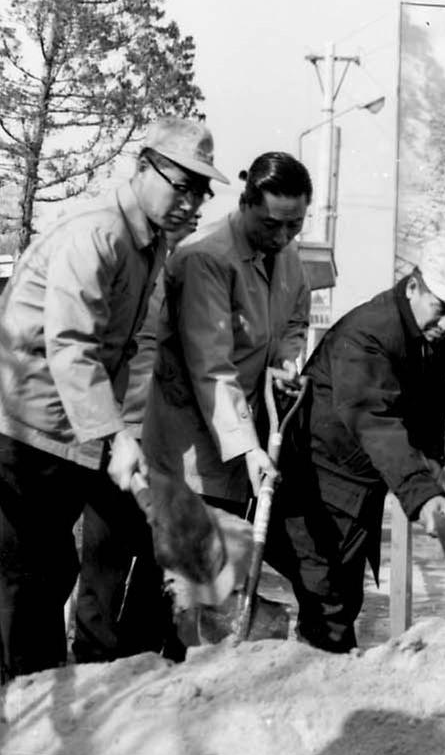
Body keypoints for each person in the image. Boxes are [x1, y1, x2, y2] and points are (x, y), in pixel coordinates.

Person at [0, 117, 226, 679]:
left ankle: (39, 691)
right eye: (181, 184)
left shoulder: (148, 245)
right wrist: (113, 436)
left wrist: (114, 438)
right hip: (23, 429)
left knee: (52, 569)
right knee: (25, 576)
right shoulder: (98, 234)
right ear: (143, 167)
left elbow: (120, 351)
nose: (190, 202)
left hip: (67, 434)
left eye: (201, 191)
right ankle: (26, 708)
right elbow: (72, 346)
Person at [264, 235, 445, 652]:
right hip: (317, 479)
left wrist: (433, 457)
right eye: (442, 310)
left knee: (343, 595)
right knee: (327, 595)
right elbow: (374, 422)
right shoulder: (369, 332)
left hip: (361, 481)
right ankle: (312, 684)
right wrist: (422, 495)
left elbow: (434, 401)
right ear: (414, 287)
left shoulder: (436, 332)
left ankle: (321, 676)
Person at [142, 151, 313, 512]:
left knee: (229, 563)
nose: (283, 237)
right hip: (191, 459)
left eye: (294, 225)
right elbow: (211, 368)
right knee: (187, 565)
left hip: (246, 452)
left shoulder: (288, 254)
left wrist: (286, 360)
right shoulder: (206, 258)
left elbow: (297, 319)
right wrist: (249, 447)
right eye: (270, 225)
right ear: (244, 203)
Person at [70, 210, 203, 664]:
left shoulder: (181, 270)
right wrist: (115, 429)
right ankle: (93, 660)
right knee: (106, 560)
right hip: (117, 432)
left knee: (153, 560)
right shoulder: (123, 268)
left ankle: (145, 663)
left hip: (163, 438)